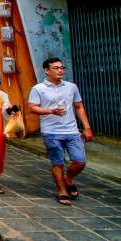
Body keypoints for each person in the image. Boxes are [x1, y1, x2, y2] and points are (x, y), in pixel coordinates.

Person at [28, 57, 93, 206]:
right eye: (56, 68)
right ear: (46, 70)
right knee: (57, 162)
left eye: (62, 68)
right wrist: (50, 111)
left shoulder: (71, 87)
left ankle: (68, 178)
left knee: (80, 161)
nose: (60, 71)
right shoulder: (38, 89)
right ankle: (62, 191)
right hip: (51, 131)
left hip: (71, 130)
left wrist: (87, 127)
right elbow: (32, 108)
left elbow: (79, 106)